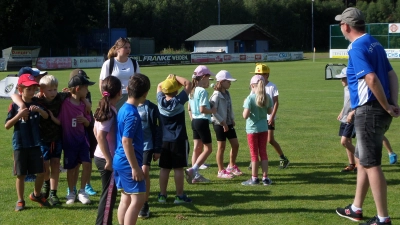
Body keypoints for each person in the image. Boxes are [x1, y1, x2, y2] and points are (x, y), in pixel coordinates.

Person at [335, 7, 399, 225]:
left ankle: (383, 218)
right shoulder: (375, 42)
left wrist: (387, 106)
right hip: (378, 109)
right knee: (363, 160)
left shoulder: (356, 47)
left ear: (346, 26)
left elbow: (371, 78)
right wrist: (391, 103)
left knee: (371, 164)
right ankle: (356, 208)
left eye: (341, 24)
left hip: (369, 111)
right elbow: (392, 74)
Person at [5, 74, 50, 211]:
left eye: (33, 88)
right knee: (21, 175)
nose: (31, 92)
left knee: (41, 172)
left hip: (36, 143)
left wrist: (40, 111)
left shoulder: (37, 103)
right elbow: (7, 125)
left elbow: (47, 116)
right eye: (28, 89)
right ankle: (20, 200)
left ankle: (36, 194)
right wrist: (19, 115)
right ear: (20, 89)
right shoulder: (14, 106)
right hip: (20, 144)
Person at [113, 74, 150, 225]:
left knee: (126, 198)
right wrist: (135, 167)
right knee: (139, 199)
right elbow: (126, 141)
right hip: (128, 163)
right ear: (145, 94)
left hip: (119, 160)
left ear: (127, 89)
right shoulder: (133, 114)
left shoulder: (122, 108)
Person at [59, 73, 95, 205]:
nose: (88, 91)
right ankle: (71, 193)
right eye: (86, 88)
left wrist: (85, 119)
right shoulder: (64, 102)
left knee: (86, 164)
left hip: (82, 140)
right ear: (78, 88)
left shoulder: (85, 104)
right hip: (69, 141)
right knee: (71, 168)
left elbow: (89, 122)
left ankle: (82, 191)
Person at [157, 74, 192, 203]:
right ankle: (179, 195)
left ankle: (162, 195)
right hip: (179, 139)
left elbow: (159, 86)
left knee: (164, 168)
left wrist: (167, 79)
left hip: (164, 140)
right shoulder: (179, 101)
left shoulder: (160, 101)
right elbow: (188, 83)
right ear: (176, 90)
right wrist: (175, 77)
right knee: (178, 168)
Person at [248, 64, 290, 170]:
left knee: (270, 140)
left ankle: (283, 158)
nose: (258, 76)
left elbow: (276, 103)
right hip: (258, 119)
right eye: (256, 74)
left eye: (260, 74)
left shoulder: (272, 86)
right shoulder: (255, 86)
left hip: (268, 117)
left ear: (266, 75)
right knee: (255, 140)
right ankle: (253, 161)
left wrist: (272, 116)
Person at [93, 76, 121, 225]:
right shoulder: (109, 111)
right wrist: (109, 159)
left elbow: (94, 130)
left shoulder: (104, 108)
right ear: (119, 92)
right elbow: (100, 135)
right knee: (108, 196)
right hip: (106, 159)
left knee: (109, 195)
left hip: (101, 156)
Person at [69, 69, 97, 196]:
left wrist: (87, 102)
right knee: (74, 162)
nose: (86, 88)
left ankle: (87, 184)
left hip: (88, 126)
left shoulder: (87, 94)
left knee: (88, 159)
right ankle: (72, 187)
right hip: (73, 131)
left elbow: (88, 106)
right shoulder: (67, 96)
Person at [209, 70, 242, 179]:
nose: (230, 83)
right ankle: (220, 171)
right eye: (228, 81)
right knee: (221, 147)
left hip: (228, 123)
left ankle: (231, 166)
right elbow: (213, 112)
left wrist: (231, 119)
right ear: (222, 82)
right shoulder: (216, 95)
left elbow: (229, 107)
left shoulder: (227, 93)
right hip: (219, 124)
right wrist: (222, 123)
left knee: (235, 144)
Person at [186, 65, 216, 184]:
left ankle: (195, 175)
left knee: (197, 148)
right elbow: (202, 109)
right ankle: (193, 170)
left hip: (194, 121)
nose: (209, 80)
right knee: (208, 149)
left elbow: (191, 108)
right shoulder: (202, 91)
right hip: (202, 121)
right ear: (203, 77)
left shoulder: (192, 90)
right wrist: (212, 110)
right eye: (208, 77)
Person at [242, 75, 273, 186]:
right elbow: (270, 112)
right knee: (263, 152)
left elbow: (245, 116)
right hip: (263, 129)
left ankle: (254, 178)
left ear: (252, 86)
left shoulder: (250, 98)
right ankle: (265, 178)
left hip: (252, 129)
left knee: (254, 154)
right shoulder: (267, 97)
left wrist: (246, 104)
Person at [99, 37, 140, 110]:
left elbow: (138, 81)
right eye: (125, 47)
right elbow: (102, 83)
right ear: (117, 49)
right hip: (114, 98)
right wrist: (106, 99)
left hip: (130, 98)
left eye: (129, 47)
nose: (128, 49)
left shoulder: (134, 63)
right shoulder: (108, 63)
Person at [137, 99, 162, 217]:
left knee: (144, 172)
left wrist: (157, 149)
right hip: (132, 145)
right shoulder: (128, 106)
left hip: (147, 145)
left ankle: (144, 204)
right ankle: (134, 200)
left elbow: (158, 129)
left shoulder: (152, 107)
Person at [335, 67, 357, 173]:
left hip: (351, 119)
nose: (341, 80)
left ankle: (361, 161)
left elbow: (359, 103)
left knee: (344, 142)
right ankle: (352, 164)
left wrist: (352, 113)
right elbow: (347, 103)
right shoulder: (346, 88)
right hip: (344, 117)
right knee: (348, 141)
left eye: (343, 78)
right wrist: (341, 112)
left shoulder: (355, 88)